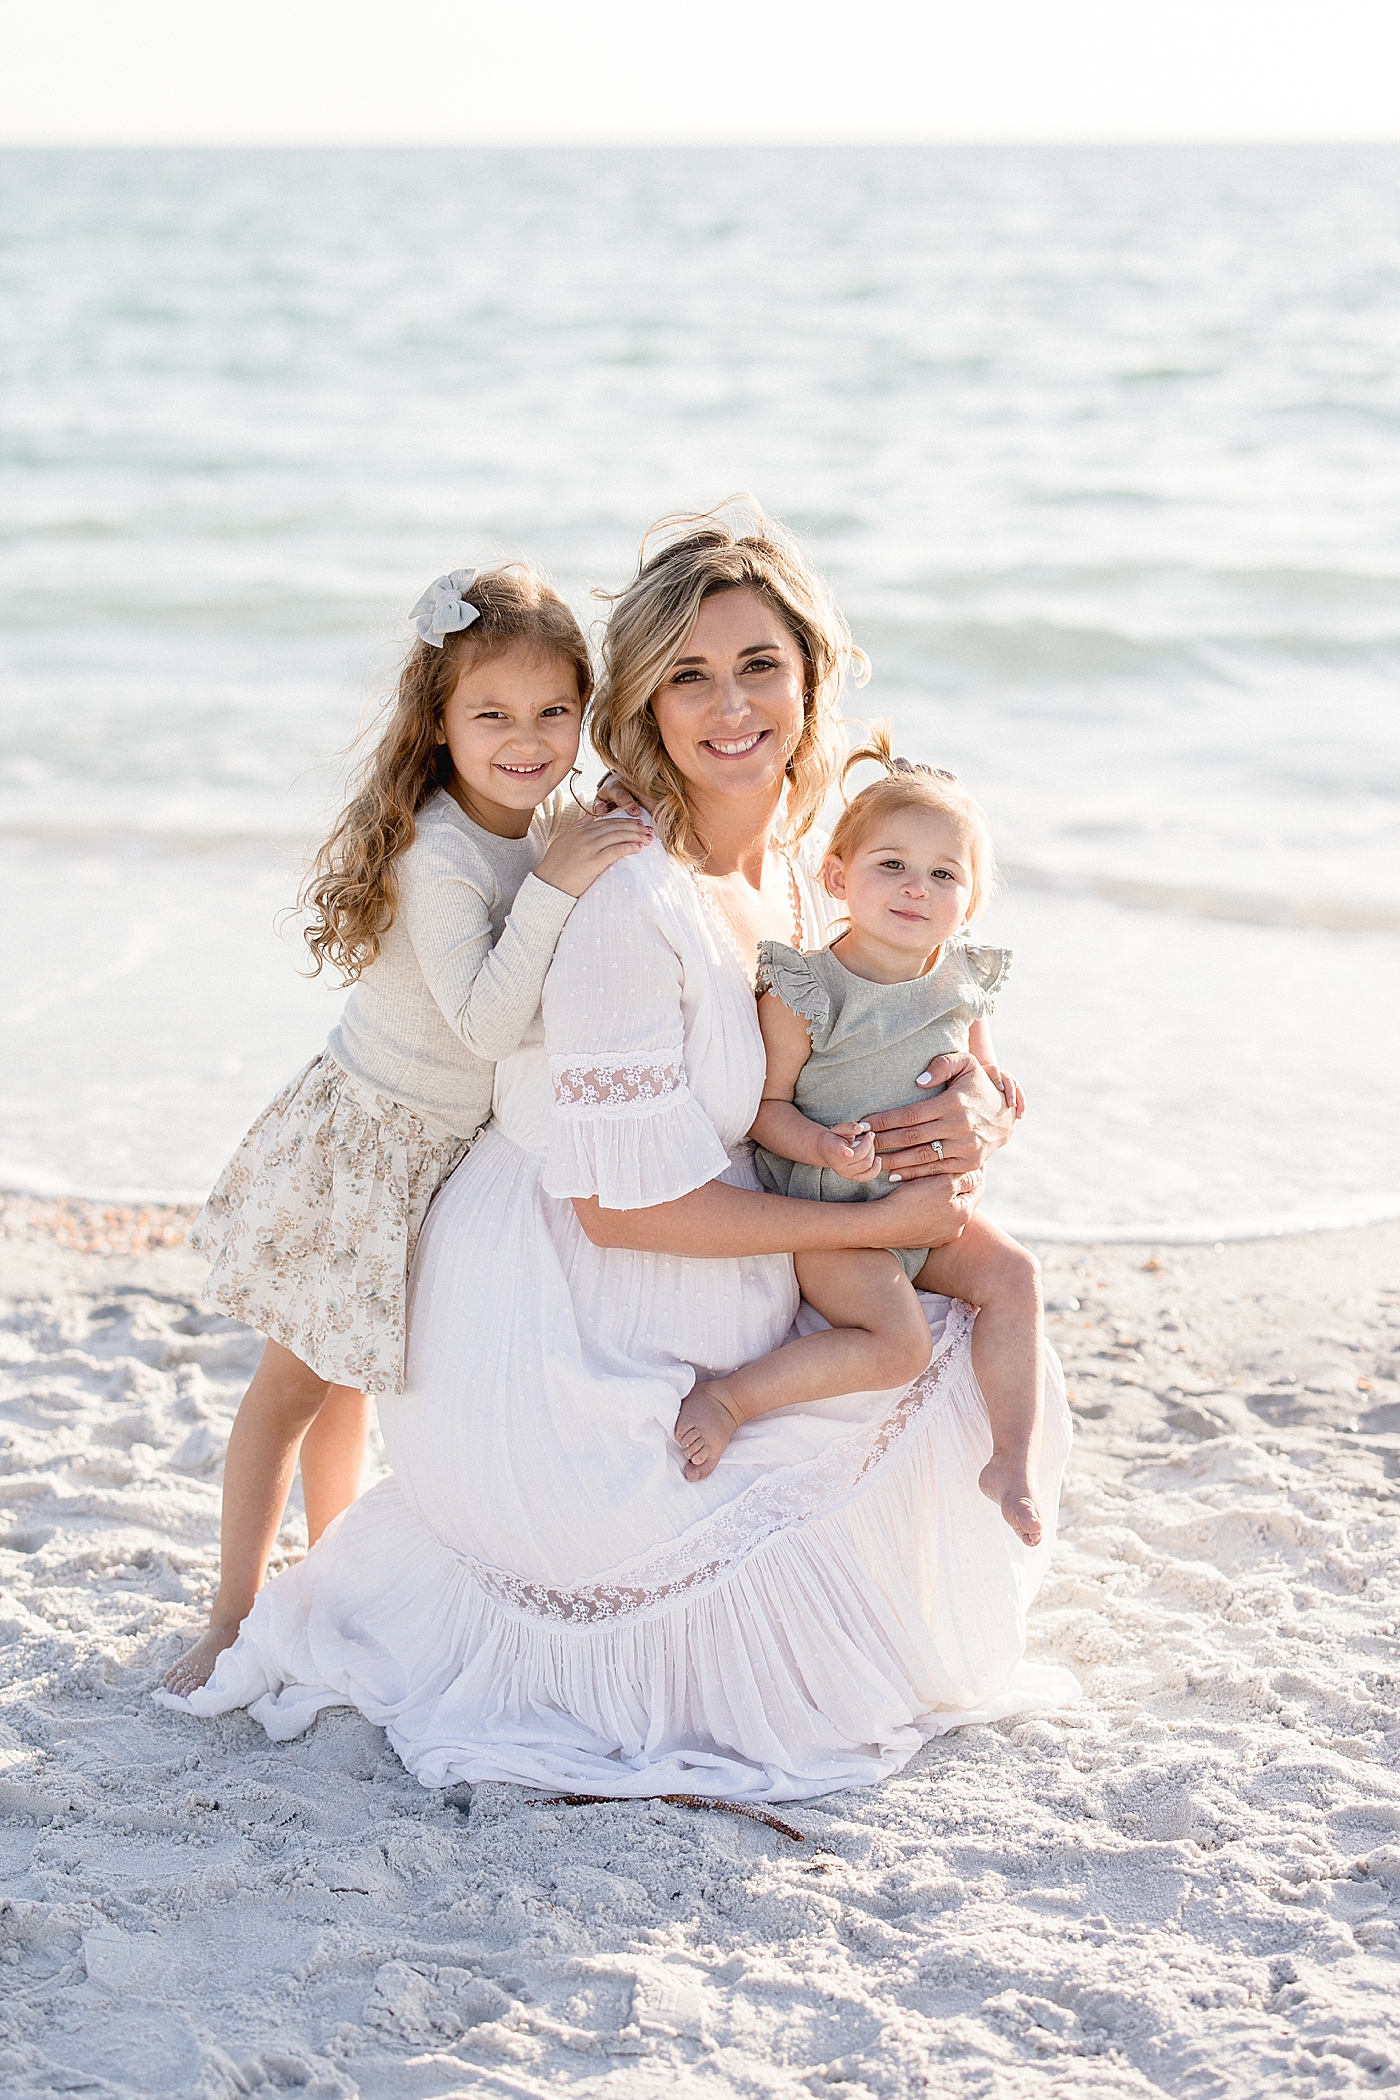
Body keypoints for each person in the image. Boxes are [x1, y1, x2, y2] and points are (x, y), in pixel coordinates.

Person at [165, 502, 1077, 1800]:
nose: (729, 705)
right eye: (688, 676)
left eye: (759, 664)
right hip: (557, 1320)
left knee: (984, 1330)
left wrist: (974, 1090)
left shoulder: (805, 866)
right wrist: (867, 1225)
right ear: (643, 705)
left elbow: (897, 996)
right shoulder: (620, 897)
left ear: (813, 674)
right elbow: (615, 1211)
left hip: (679, 1250)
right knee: (904, 1383)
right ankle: (255, 1597)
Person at [161, 564, 650, 1695]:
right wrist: (558, 886)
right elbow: (485, 1022)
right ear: (439, 722)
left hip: (442, 1155)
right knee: (294, 1384)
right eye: (490, 715)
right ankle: (232, 1611)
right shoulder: (440, 855)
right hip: (369, 1146)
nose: (523, 740)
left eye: (550, 714)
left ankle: (333, 1572)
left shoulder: (540, 827)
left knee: (356, 1380)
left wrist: (590, 844)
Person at [674, 727, 1044, 1549]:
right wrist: (819, 1147)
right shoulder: (812, 987)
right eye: (892, 865)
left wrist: (997, 1095)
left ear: (970, 900)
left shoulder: (962, 980)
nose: (917, 889)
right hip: (834, 1217)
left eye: (944, 874)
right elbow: (763, 1107)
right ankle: (732, 1400)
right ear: (840, 877)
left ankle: (1011, 1458)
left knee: (1015, 1274)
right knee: (898, 1342)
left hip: (926, 1210)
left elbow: (981, 1084)